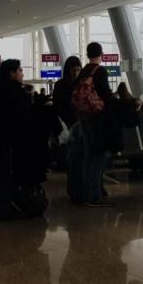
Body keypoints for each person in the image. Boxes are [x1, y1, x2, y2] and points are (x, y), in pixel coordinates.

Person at [0, 59, 47, 221]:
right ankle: (8, 208)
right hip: (13, 140)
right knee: (8, 174)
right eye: (20, 71)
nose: (22, 74)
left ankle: (4, 207)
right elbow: (21, 117)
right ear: (12, 73)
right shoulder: (13, 92)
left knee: (2, 173)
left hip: (3, 139)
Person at [71, 42, 114, 207]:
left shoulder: (83, 71)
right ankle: (94, 196)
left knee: (88, 157)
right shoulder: (99, 71)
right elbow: (105, 95)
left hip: (84, 118)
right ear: (101, 54)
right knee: (97, 158)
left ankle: (86, 193)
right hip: (97, 118)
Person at [54, 56, 83, 199]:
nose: (76, 73)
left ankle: (78, 188)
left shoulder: (81, 85)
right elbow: (58, 107)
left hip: (79, 124)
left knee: (78, 158)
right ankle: (74, 189)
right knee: (72, 159)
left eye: (78, 70)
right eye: (73, 70)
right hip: (68, 125)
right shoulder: (61, 85)